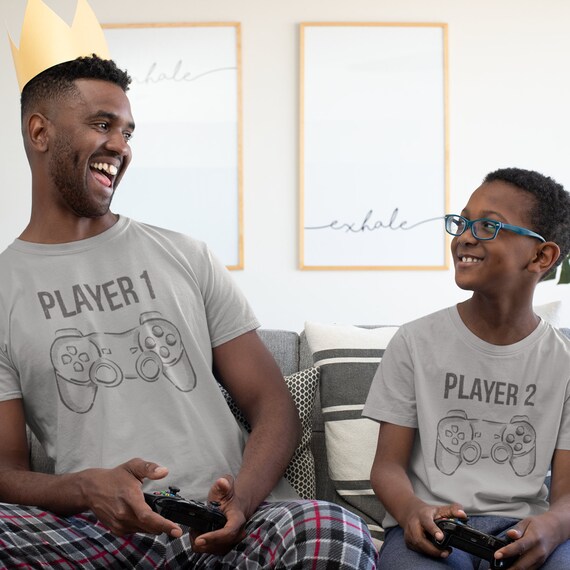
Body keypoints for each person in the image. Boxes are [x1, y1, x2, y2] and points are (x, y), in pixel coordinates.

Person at [0, 55, 378, 568]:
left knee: (335, 528)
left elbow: (273, 406)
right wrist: (85, 488)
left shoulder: (184, 255)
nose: (120, 146)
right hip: (100, 532)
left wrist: (241, 500)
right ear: (40, 132)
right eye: (102, 124)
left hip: (227, 523)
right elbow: (7, 471)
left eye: (127, 132)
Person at [363, 167, 570, 569]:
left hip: (524, 529)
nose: (465, 237)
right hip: (434, 528)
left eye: (489, 225)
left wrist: (552, 527)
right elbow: (386, 467)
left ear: (541, 256)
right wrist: (411, 512)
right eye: (462, 222)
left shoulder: (562, 362)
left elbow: (564, 496)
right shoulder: (415, 342)